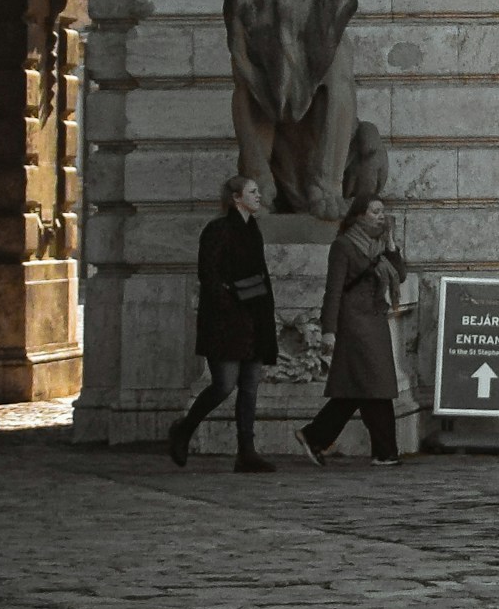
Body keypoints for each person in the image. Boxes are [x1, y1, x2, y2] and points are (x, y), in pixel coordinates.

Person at [167, 171, 278, 472]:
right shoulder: (217, 230)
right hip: (226, 321)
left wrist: (265, 311)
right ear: (236, 198)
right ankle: (185, 428)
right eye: (252, 192)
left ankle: (247, 451)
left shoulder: (253, 229)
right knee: (224, 385)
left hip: (254, 318)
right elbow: (210, 275)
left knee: (250, 386)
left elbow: (261, 274)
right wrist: (230, 302)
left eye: (257, 192)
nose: (258, 196)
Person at [299, 194, 407, 464]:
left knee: (360, 387)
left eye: (382, 211)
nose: (381, 216)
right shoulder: (344, 246)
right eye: (374, 211)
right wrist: (329, 330)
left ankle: (315, 436)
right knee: (374, 384)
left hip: (375, 319)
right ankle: (385, 452)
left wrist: (392, 246)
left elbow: (400, 275)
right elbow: (333, 291)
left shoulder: (381, 245)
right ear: (359, 215)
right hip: (355, 322)